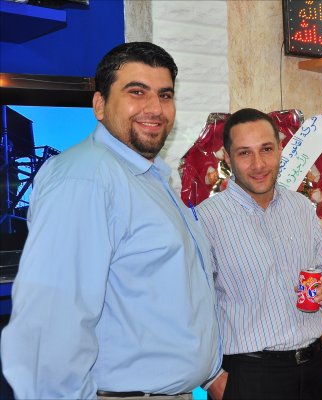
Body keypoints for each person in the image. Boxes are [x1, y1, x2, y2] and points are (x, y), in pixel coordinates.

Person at [1, 42, 222, 399]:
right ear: (100, 105)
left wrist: (211, 372)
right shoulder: (86, 178)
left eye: (165, 95)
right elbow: (51, 327)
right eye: (137, 92)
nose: (155, 108)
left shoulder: (148, 177)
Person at [197, 108, 322, 400]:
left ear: (280, 149)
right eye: (244, 153)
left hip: (313, 368)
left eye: (266, 149)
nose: (258, 164)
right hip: (249, 376)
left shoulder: (301, 207)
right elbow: (191, 306)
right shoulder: (206, 219)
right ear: (227, 158)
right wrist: (211, 378)